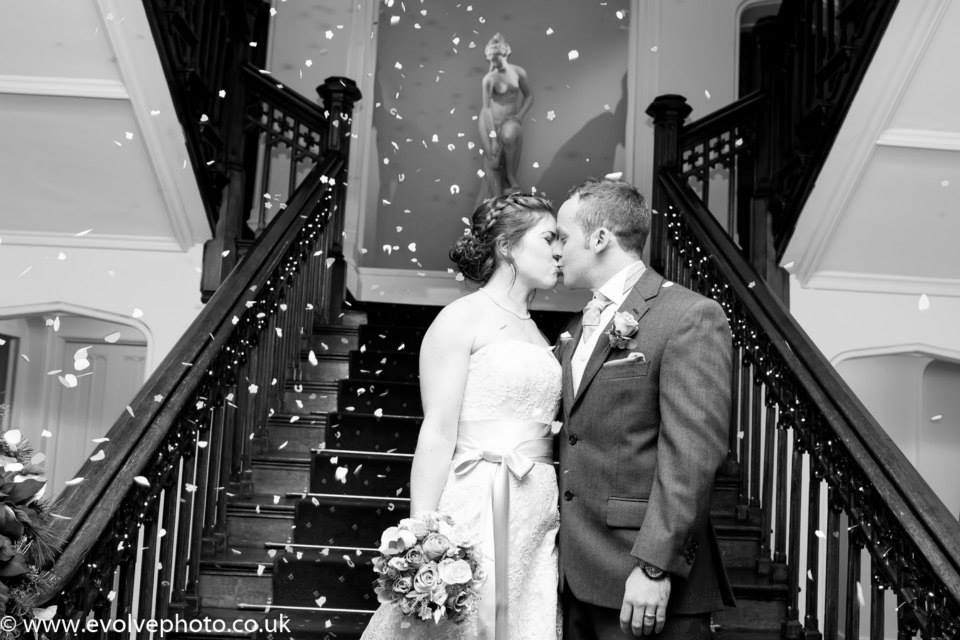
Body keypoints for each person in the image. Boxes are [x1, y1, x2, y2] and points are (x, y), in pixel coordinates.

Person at [360, 192, 563, 640]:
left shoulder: (534, 327)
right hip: (476, 503)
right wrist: (420, 535)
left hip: (535, 511)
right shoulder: (460, 319)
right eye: (549, 238)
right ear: (507, 246)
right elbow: (436, 431)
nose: (559, 251)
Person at [554, 179, 735, 639]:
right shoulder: (577, 325)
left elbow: (692, 455)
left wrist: (654, 567)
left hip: (642, 578)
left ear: (599, 239)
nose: (557, 249)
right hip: (575, 574)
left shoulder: (688, 315)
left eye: (563, 236)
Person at [477, 33, 533, 200]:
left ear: (505, 54)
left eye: (497, 57)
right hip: (489, 121)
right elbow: (486, 109)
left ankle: (510, 177)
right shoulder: (489, 79)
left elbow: (530, 96)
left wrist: (520, 117)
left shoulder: (518, 72)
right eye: (491, 59)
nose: (494, 62)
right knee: (493, 162)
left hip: (510, 119)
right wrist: (493, 138)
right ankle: (495, 198)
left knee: (509, 137)